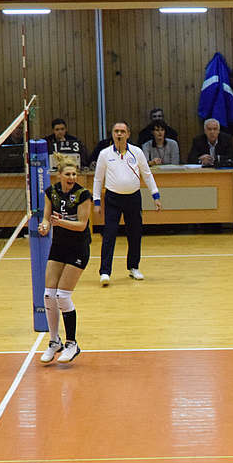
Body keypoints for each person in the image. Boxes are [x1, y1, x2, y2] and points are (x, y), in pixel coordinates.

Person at [93, 121, 162, 286]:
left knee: (135, 233)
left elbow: (147, 174)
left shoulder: (137, 152)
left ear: (128, 134)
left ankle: (133, 267)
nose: (119, 134)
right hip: (112, 199)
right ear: (112, 134)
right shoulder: (104, 154)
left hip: (133, 198)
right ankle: (105, 271)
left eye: (122, 131)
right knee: (109, 234)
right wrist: (96, 201)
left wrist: (155, 195)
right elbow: (98, 178)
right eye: (116, 131)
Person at [37, 154, 91, 364]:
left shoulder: (82, 194)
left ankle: (72, 343)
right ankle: (54, 342)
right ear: (59, 175)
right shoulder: (51, 192)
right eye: (68, 174)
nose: (71, 177)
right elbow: (46, 217)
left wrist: (59, 222)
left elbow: (82, 225)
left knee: (62, 295)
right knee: (48, 294)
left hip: (78, 248)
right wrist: (45, 226)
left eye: (74, 174)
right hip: (59, 246)